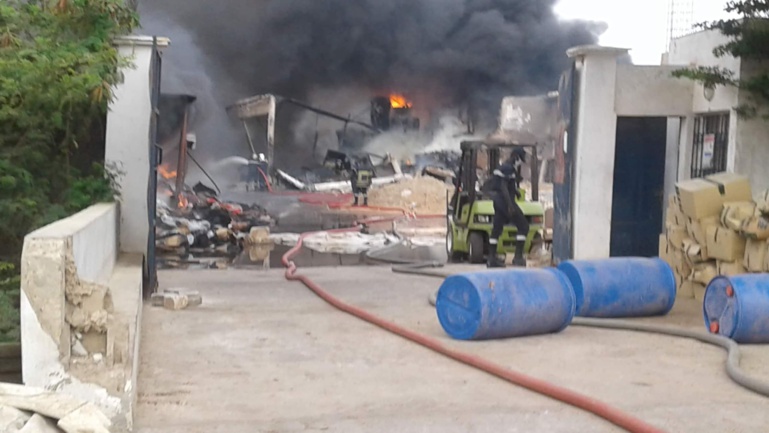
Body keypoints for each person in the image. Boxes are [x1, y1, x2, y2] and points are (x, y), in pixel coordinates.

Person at [485, 150, 530, 268]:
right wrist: (510, 205)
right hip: (505, 202)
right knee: (524, 226)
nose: (520, 163)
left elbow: (502, 184)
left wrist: (515, 192)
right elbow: (503, 187)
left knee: (496, 229)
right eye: (521, 160)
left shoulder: (502, 167)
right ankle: (518, 257)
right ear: (516, 157)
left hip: (497, 202)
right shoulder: (508, 168)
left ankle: (491, 259)